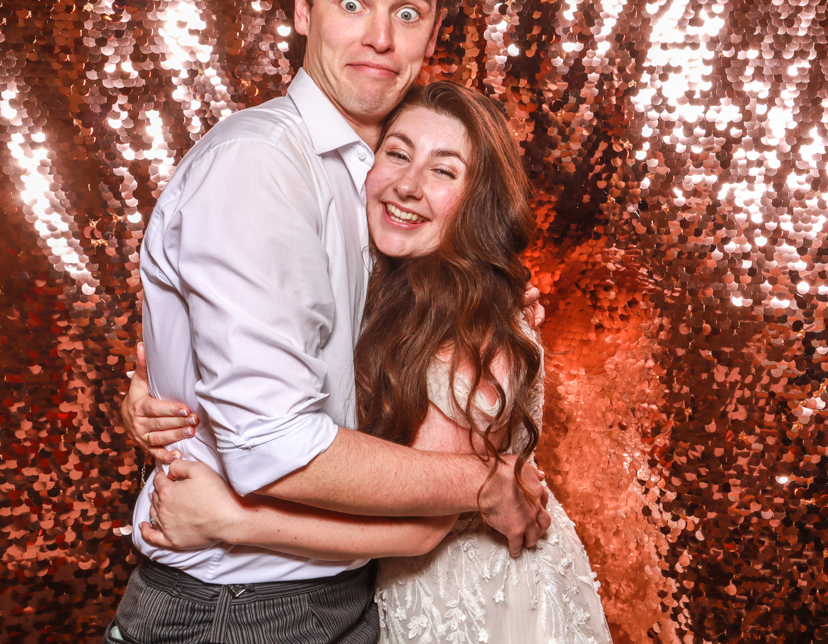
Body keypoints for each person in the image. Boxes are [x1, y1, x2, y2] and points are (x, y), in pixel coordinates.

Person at [111, 0, 549, 644]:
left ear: (431, 32)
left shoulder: (382, 181)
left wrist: (496, 307)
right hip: (241, 612)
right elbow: (275, 449)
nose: (380, 36)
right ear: (301, 9)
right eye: (352, 2)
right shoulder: (260, 167)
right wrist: (486, 483)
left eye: (407, 12)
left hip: (347, 591)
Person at [132, 83, 613, 644]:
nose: (408, 186)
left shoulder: (471, 328)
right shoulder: (388, 286)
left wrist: (228, 522)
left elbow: (422, 531)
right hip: (391, 593)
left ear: (478, 201)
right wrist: (145, 392)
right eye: (398, 153)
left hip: (475, 604)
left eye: (444, 171)